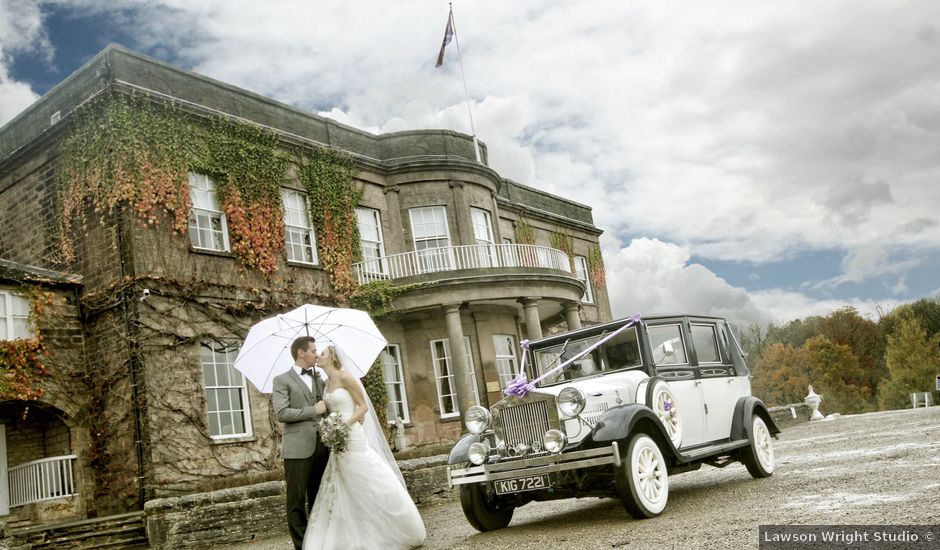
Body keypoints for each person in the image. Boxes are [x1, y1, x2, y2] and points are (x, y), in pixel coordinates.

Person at [303, 346, 427, 550]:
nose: (318, 356)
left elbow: (362, 406)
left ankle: (390, 528)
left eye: (322, 353)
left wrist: (344, 425)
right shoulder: (325, 383)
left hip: (352, 436)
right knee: (342, 483)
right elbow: (330, 411)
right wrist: (329, 425)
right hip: (337, 439)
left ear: (332, 357)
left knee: (366, 478)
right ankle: (352, 536)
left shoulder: (346, 378)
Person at [272, 336, 331, 550]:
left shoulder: (319, 378)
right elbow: (281, 413)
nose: (317, 354)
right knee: (296, 500)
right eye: (314, 350)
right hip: (297, 449)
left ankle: (319, 542)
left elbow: (328, 407)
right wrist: (311, 411)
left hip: (322, 446)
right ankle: (302, 546)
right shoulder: (282, 380)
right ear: (301, 352)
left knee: (320, 497)